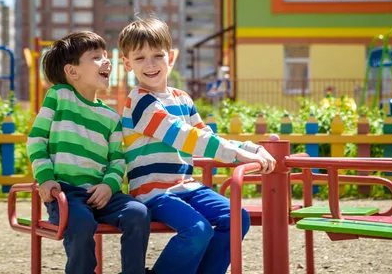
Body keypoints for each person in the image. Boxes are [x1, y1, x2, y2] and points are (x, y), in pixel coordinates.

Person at [118, 16, 277, 274]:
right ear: (127, 64)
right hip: (153, 192)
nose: (150, 64)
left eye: (157, 55)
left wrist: (250, 148)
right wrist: (237, 154)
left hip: (186, 186)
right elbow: (184, 136)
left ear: (170, 57)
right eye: (140, 58)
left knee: (237, 218)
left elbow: (205, 134)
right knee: (197, 230)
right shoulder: (139, 103)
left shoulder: (182, 98)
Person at [27, 31, 151, 274]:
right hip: (66, 193)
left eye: (106, 56)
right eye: (96, 57)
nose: (106, 61)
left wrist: (109, 185)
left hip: (101, 194)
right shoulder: (59, 97)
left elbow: (117, 159)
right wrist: (45, 178)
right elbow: (36, 140)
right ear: (72, 71)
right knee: (81, 224)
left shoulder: (110, 117)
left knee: (139, 213)